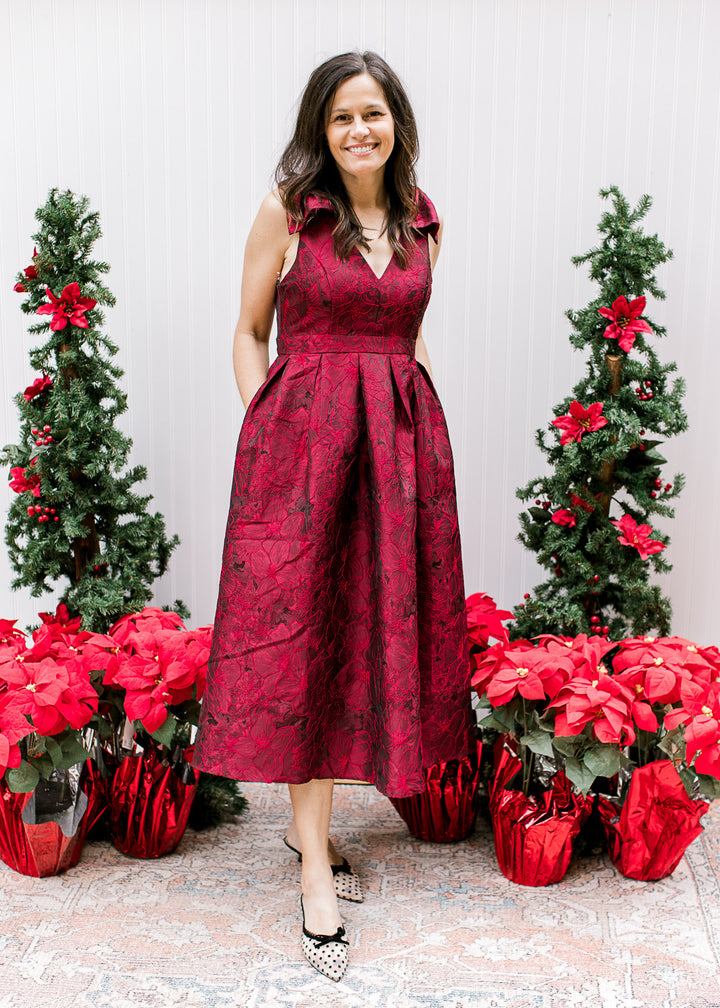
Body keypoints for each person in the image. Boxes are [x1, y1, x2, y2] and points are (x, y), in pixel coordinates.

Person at [193, 50, 473, 982]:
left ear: (397, 124)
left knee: (364, 644)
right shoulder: (290, 213)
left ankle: (313, 834)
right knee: (304, 649)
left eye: (374, 115)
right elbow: (248, 330)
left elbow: (404, 326)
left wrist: (417, 412)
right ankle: (313, 858)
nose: (360, 130)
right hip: (302, 459)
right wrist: (265, 425)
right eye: (342, 116)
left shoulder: (426, 220)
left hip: (397, 460)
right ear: (321, 127)